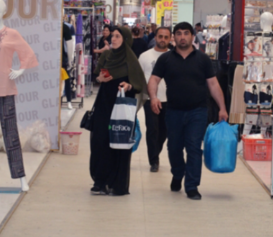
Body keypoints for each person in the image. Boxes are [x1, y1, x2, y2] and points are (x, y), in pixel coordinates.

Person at [148, 22, 228, 200]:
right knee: (173, 148)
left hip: (198, 111)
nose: (182, 37)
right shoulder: (166, 59)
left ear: (193, 36)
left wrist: (222, 108)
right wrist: (153, 97)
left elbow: (213, 84)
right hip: (173, 111)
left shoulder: (203, 59)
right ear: (174, 37)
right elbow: (154, 80)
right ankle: (178, 174)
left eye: (186, 33)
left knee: (193, 148)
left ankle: (192, 186)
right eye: (178, 33)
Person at [90, 27, 147, 196]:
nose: (113, 39)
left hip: (121, 106)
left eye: (117, 36)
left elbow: (139, 84)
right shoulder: (106, 56)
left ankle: (116, 183)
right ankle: (99, 181)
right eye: (112, 36)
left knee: (119, 142)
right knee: (100, 141)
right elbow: (96, 75)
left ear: (126, 39)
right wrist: (100, 78)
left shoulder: (131, 59)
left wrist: (129, 86)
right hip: (104, 104)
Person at [138, 27, 171, 173]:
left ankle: (156, 152)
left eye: (166, 37)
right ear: (155, 37)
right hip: (150, 99)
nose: (162, 39)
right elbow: (139, 78)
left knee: (164, 131)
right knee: (152, 129)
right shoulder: (144, 56)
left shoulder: (174, 56)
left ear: (170, 39)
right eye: (160, 36)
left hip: (170, 100)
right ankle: (154, 160)